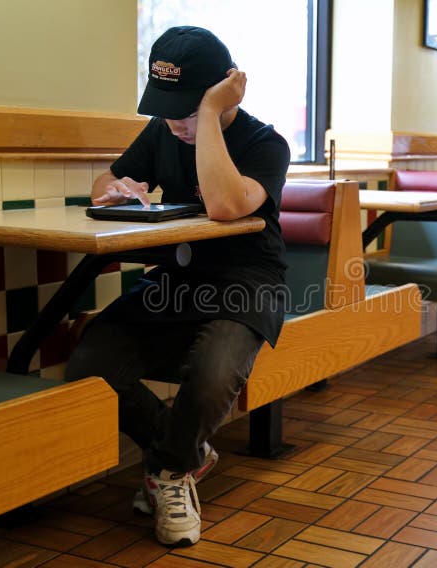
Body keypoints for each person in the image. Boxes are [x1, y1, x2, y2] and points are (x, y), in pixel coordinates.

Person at [65, 25, 290, 547]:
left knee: (212, 374)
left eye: (187, 109)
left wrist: (208, 116)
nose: (175, 123)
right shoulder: (163, 130)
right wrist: (118, 189)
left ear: (225, 91)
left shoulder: (264, 143)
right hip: (176, 281)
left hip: (248, 284)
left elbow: (225, 205)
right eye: (168, 108)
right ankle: (184, 457)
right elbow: (104, 184)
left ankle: (167, 475)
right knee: (89, 364)